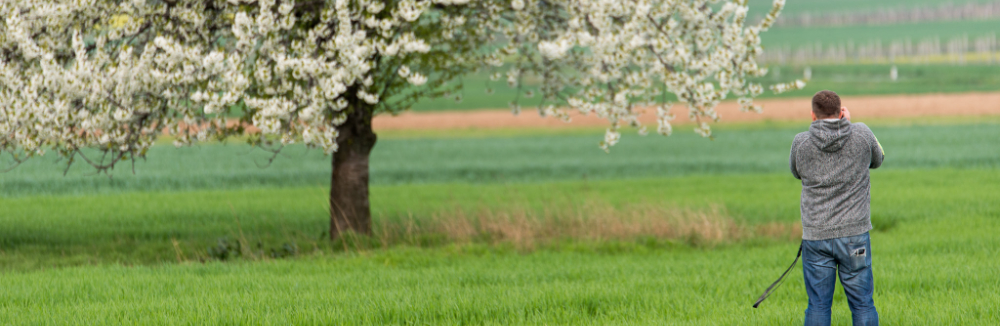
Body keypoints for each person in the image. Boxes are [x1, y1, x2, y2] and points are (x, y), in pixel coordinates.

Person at [789, 90, 884, 326]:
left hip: (816, 236)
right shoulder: (861, 133)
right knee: (862, 303)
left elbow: (795, 172)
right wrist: (848, 125)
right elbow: (879, 158)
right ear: (841, 111)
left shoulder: (801, 142)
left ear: (813, 115)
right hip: (854, 236)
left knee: (818, 305)